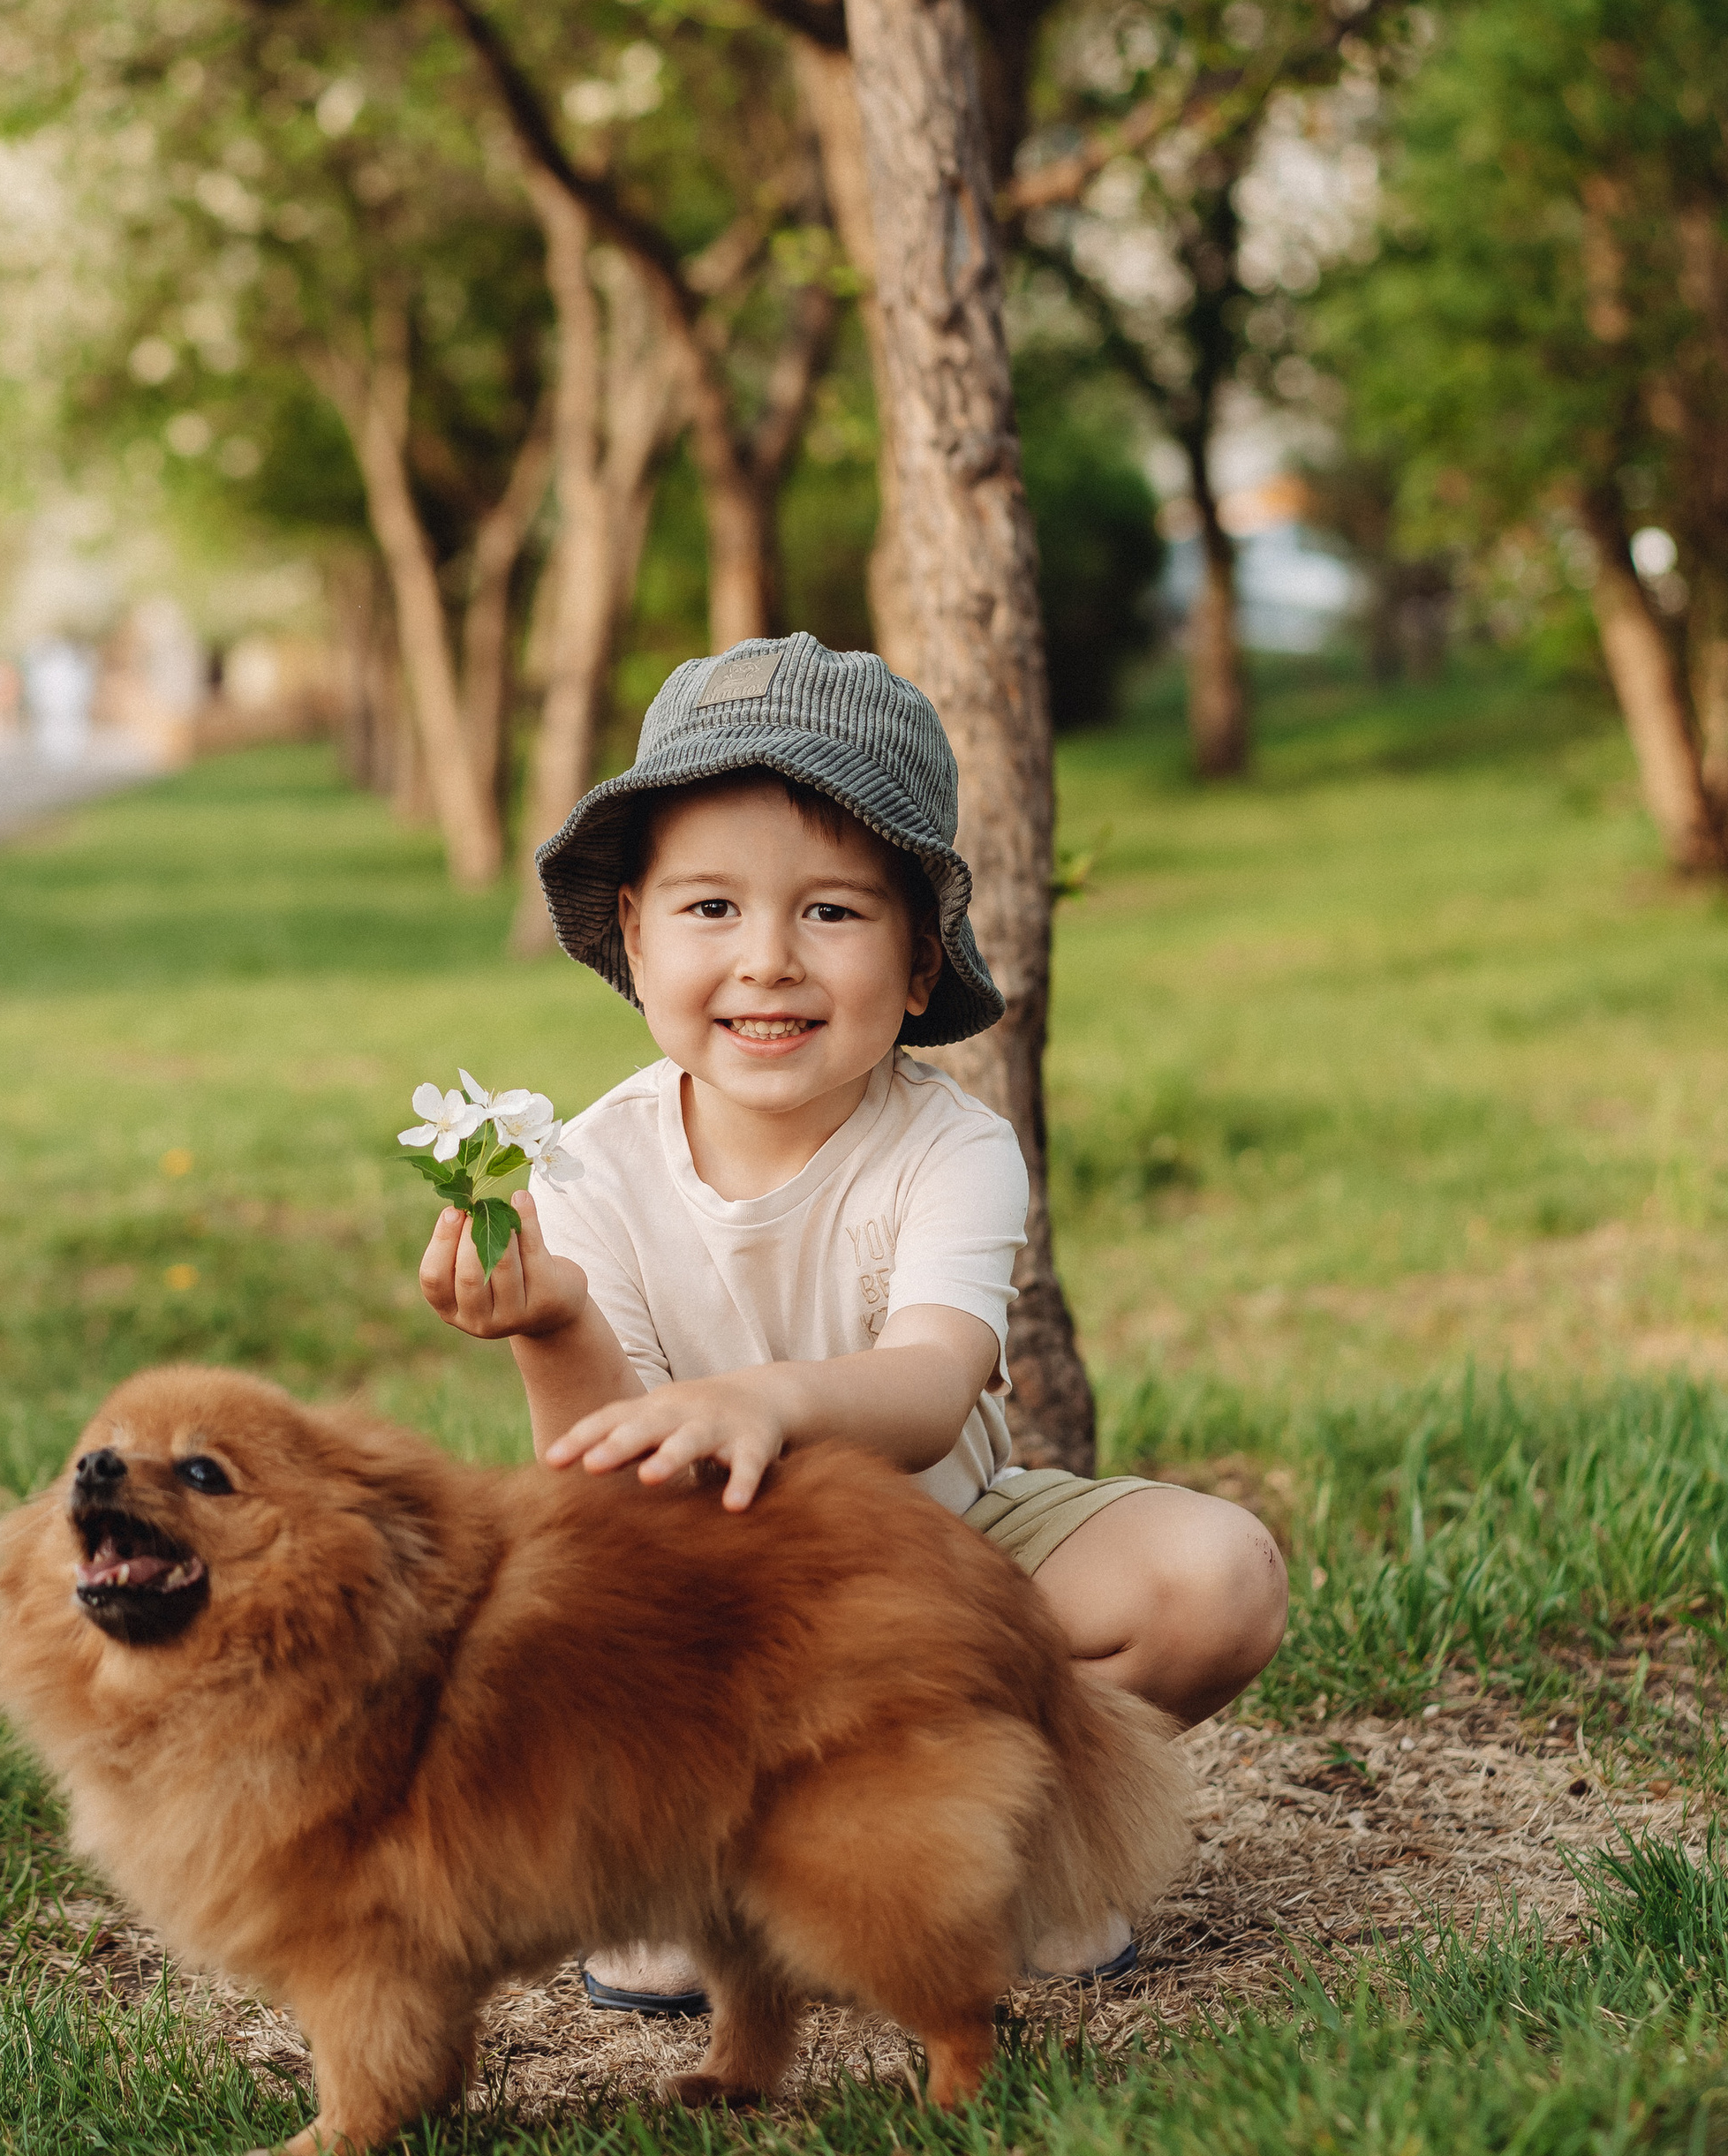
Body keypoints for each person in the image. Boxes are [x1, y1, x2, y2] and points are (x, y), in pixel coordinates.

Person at [417, 633, 1287, 2012]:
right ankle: (693, 1881)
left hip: (945, 1559)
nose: (768, 962)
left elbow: (936, 1384)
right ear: (634, 934)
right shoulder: (586, 1166)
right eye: (711, 910)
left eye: (831, 912)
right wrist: (552, 1320)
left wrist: (770, 1400)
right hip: (707, 1618)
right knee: (534, 1630)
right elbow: (591, 1499)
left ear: (924, 957)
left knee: (1214, 1578)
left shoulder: (951, 1147)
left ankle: (1000, 1851)